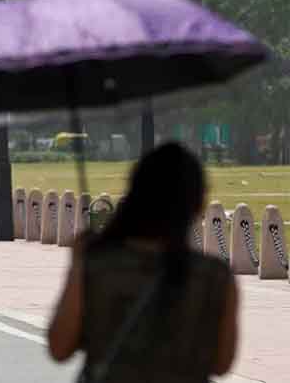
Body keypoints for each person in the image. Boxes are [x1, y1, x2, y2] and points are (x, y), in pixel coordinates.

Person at [47, 143, 239, 383]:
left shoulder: (100, 266)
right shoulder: (214, 277)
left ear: (134, 196)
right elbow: (221, 363)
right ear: (198, 204)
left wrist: (78, 264)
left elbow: (59, 348)